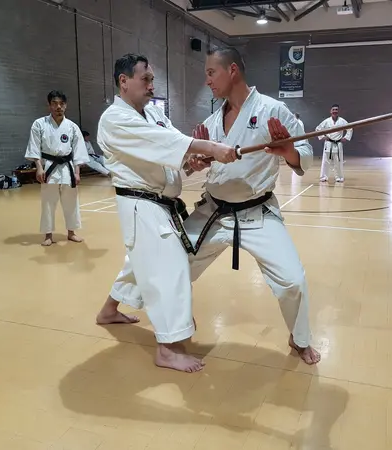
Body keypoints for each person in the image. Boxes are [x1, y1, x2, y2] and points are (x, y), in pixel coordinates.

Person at [106, 47, 321, 366]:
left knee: (293, 280)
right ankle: (112, 304)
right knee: (165, 260)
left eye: (210, 73)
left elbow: (304, 153)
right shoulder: (211, 123)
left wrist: (287, 150)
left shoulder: (273, 110)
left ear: (231, 70)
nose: (206, 80)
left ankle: (299, 339)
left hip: (257, 213)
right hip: (215, 213)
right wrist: (199, 161)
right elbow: (194, 156)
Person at [95, 53, 237, 373]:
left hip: (160, 203)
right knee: (170, 268)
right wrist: (211, 148)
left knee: (139, 262)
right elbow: (164, 141)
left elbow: (169, 153)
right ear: (123, 81)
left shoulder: (154, 113)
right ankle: (168, 349)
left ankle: (108, 310)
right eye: (145, 79)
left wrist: (192, 162)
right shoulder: (114, 119)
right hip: (141, 205)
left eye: (152, 79)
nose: (151, 85)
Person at [24, 90, 90, 246]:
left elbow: (78, 150)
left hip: (67, 167)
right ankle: (48, 235)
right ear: (49, 105)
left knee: (71, 201)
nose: (58, 107)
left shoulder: (72, 126)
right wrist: (39, 167)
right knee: (48, 201)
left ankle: (71, 232)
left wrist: (77, 171)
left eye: (61, 103)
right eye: (54, 103)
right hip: (49, 166)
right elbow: (34, 147)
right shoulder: (39, 124)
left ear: (65, 105)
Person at [316, 104, 353, 183]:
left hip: (338, 143)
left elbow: (350, 128)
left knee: (338, 161)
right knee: (326, 162)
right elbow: (318, 129)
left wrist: (346, 138)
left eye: (336, 110)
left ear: (338, 111)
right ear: (330, 111)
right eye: (333, 110)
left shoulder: (342, 121)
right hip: (328, 143)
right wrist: (323, 137)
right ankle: (324, 177)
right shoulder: (326, 121)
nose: (335, 111)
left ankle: (339, 177)